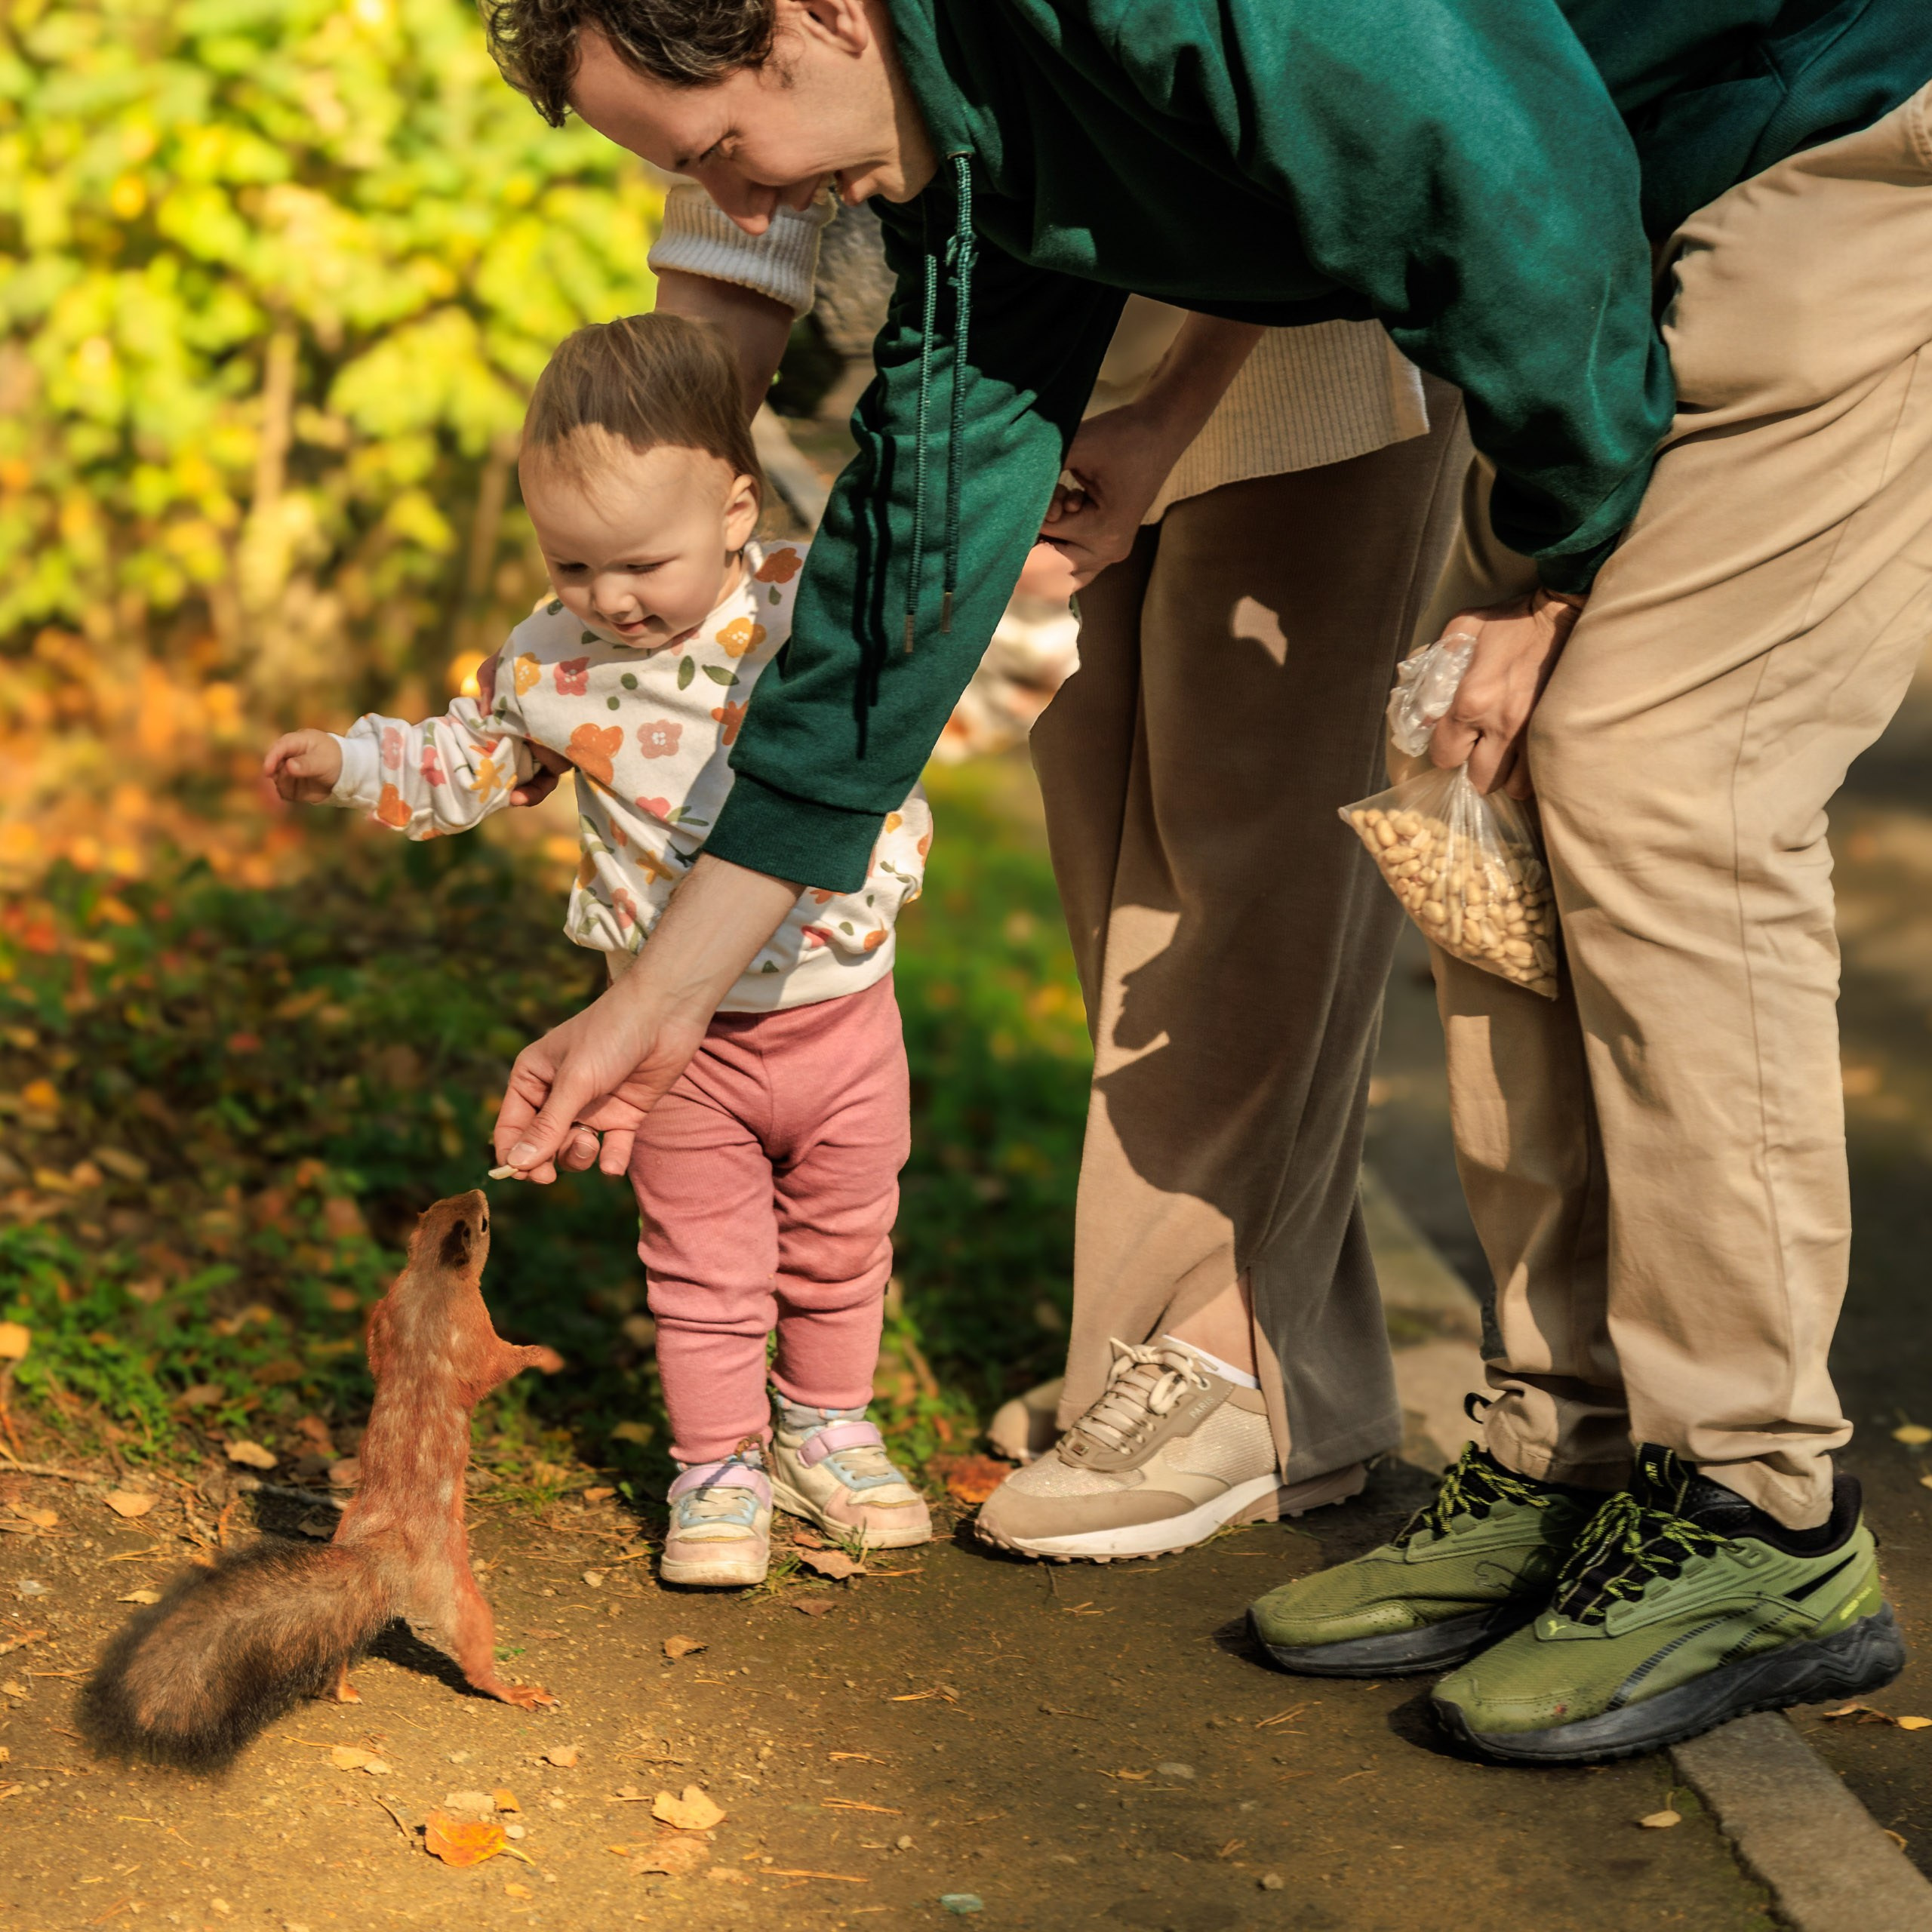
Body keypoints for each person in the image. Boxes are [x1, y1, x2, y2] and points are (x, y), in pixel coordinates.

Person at [478, 0, 1926, 1755]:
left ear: (816, 16)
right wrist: (662, 989)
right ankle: (1575, 1449)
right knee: (1487, 764)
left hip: (1826, 137)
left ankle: (1755, 1515)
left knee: (1647, 767)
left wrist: (1567, 559)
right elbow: (915, 536)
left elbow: (1485, 154)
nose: (752, 207)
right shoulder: (967, 126)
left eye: (715, 148)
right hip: (1630, 192)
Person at [644, 182, 1472, 1561]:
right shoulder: (724, 67)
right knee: (1109, 799)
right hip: (1071, 340)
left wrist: (1175, 404)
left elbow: (1265, 158)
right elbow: (735, 232)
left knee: (1245, 831)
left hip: (1301, 323)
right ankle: (1212, 1357)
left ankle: (1229, 1362)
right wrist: (662, 540)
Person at [265, 312, 935, 1589]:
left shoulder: (809, 611)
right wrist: (352, 761)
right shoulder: (551, 662)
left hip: (845, 1012)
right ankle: (719, 1464)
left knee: (846, 1239)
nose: (608, 599)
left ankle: (830, 1428)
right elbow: (466, 761)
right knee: (702, 1263)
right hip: (669, 1042)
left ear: (738, 510)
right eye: (571, 566)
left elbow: (930, 649)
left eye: (639, 564)